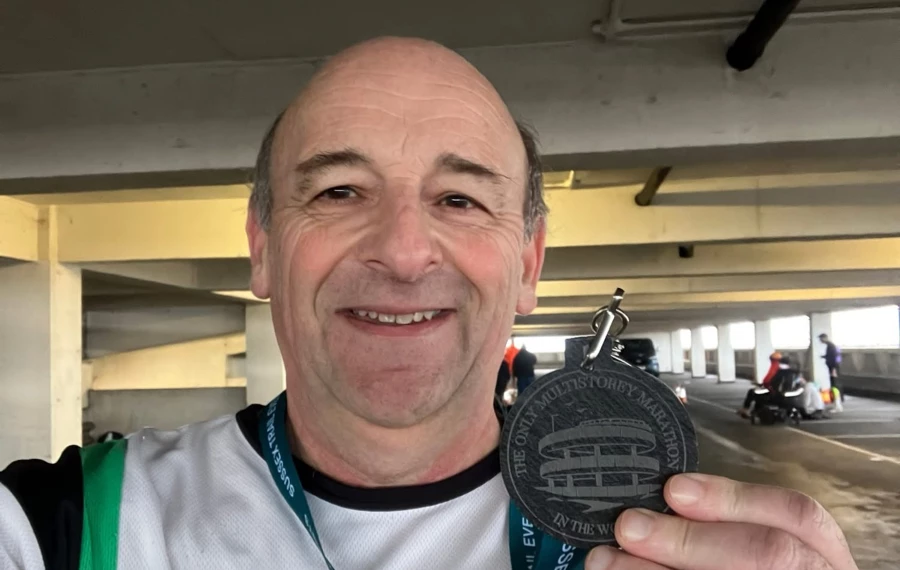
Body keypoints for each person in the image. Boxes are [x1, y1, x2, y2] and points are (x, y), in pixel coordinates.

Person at [0, 37, 858, 570]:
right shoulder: (61, 528)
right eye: (338, 192)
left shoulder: (665, 541)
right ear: (263, 247)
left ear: (528, 262)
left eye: (459, 198)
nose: (404, 252)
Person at [819, 333, 845, 403]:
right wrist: (824, 356)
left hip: (833, 368)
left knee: (835, 383)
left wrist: (834, 369)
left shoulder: (831, 346)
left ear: (824, 338)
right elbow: (832, 356)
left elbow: (834, 357)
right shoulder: (830, 345)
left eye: (821, 339)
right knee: (834, 383)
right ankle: (837, 398)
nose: (820, 340)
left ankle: (837, 399)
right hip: (833, 367)